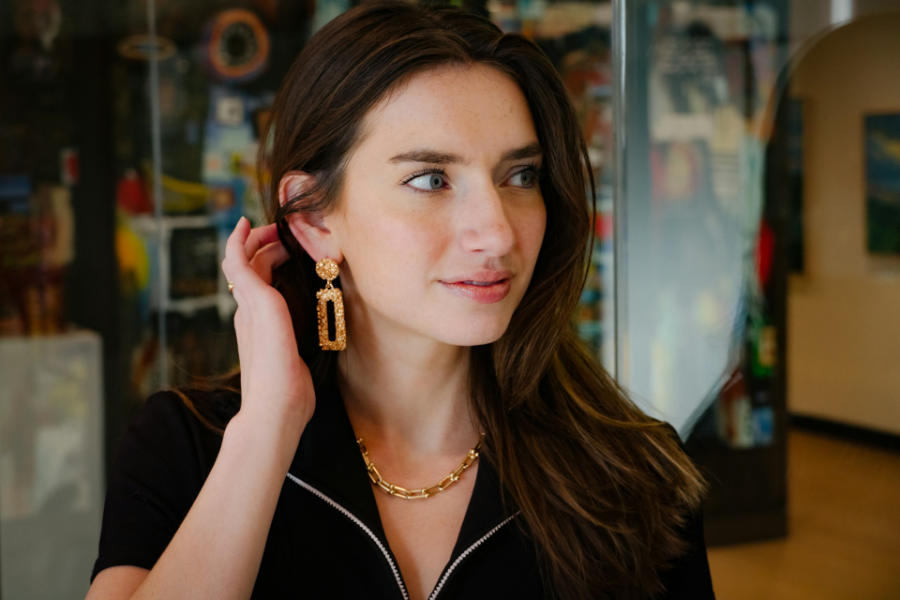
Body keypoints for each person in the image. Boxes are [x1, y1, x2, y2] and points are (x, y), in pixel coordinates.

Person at [87, 2, 715, 599]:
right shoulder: (187, 444)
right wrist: (268, 428)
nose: (497, 231)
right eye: (431, 180)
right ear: (312, 218)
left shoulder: (634, 472)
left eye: (519, 176)